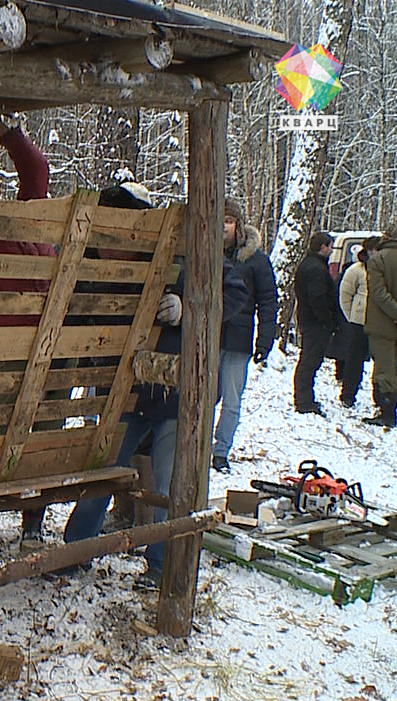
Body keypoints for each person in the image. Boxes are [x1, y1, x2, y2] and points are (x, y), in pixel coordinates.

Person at [62, 184, 250, 588]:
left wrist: (190, 307)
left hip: (178, 395)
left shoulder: (194, 257)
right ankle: (75, 550)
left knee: (169, 483)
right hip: (128, 390)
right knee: (104, 471)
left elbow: (234, 294)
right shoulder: (119, 257)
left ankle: (162, 563)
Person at [0, 114, 58, 550]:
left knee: (48, 428)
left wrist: (8, 134)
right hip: (13, 347)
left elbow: (36, 170)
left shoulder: (37, 221)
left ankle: (34, 520)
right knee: (8, 427)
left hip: (53, 345)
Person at [212, 197, 278, 472]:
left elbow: (268, 300)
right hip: (208, 336)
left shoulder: (256, 260)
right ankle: (197, 444)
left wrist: (265, 338)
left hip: (239, 340)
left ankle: (220, 451)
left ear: (237, 225)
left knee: (231, 400)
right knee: (203, 396)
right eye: (221, 221)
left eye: (229, 221)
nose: (224, 227)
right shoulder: (208, 251)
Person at [362, 224, 397, 427]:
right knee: (394, 365)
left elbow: (378, 292)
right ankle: (389, 408)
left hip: (381, 324)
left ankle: (386, 412)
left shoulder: (378, 260)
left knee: (384, 369)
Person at [292, 232, 338, 416]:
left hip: (309, 319)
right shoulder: (316, 269)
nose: (332, 250)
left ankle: (305, 398)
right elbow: (317, 298)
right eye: (330, 246)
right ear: (323, 247)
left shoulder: (310, 265)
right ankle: (303, 401)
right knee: (310, 360)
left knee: (309, 360)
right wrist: (327, 320)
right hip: (315, 323)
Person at [337, 240, 377, 408]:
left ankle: (380, 397)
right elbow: (345, 295)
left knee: (381, 360)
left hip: (380, 322)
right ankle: (348, 394)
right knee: (354, 360)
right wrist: (352, 316)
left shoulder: (384, 270)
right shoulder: (356, 270)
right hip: (358, 322)